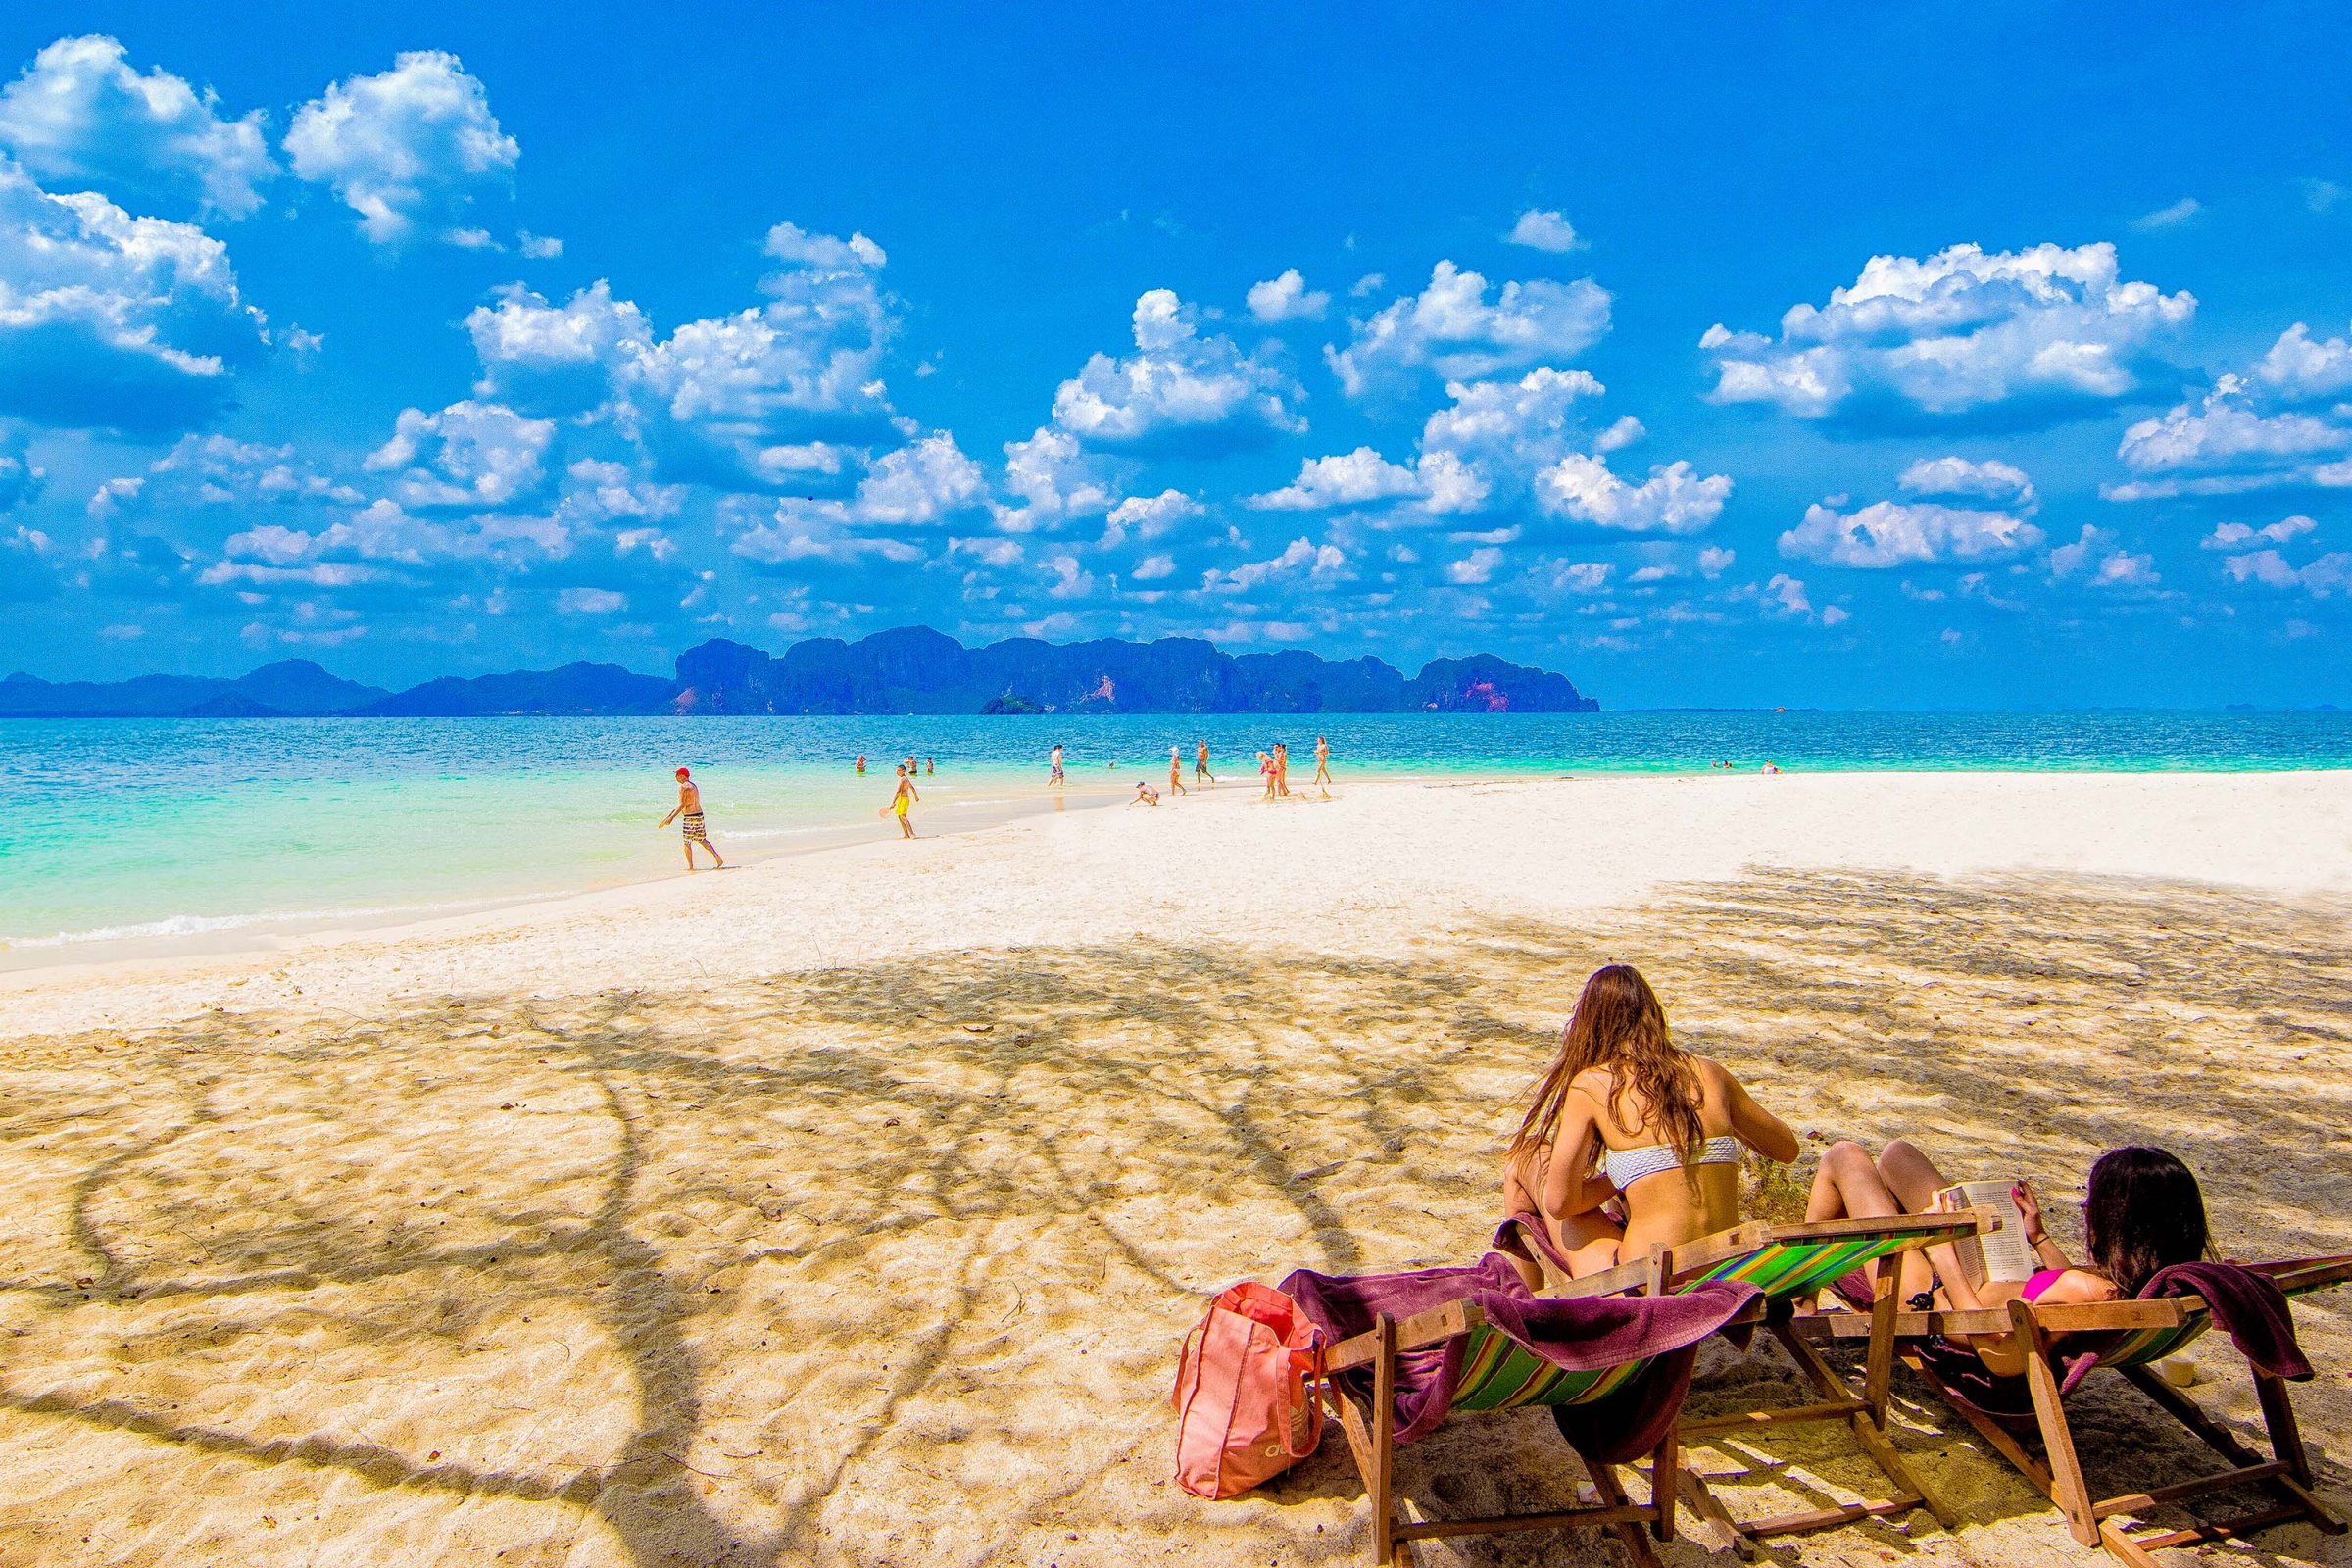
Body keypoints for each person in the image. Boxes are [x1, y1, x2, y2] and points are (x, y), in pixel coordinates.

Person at [1805, 1140, 2212, 1377]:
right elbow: (2067, 1294)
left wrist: (1942, 1254)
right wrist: (2038, 1237)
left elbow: (1997, 1352)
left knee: (1845, 1156)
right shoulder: (2132, 1289)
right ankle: (1809, 1292)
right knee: (1897, 1155)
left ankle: (1804, 1296)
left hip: (1931, 1298)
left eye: (2095, 1202)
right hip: (1984, 1280)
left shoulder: (2090, 1292)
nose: (2087, 1207)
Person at [1500, 964, 1797, 1281]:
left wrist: (1618, 1175)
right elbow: (1787, 1149)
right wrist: (1701, 1140)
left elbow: (1560, 1204)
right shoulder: (1710, 1075)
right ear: (1655, 1016)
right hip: (1726, 1271)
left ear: (1589, 1027)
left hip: (1645, 1282)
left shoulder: (1594, 1085)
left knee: (1525, 1156)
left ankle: (1528, 1306)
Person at [659, 767, 724, 871]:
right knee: (701, 840)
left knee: (687, 842)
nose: (675, 777)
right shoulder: (693, 786)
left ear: (683, 776)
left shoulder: (682, 787)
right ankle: (717, 857)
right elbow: (686, 803)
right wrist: (670, 814)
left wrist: (671, 818)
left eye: (677, 775)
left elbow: (682, 804)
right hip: (699, 815)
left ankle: (690, 867)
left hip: (690, 818)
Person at [883, 763, 920, 839]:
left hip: (903, 799)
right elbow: (912, 788)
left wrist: (893, 802)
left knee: (902, 817)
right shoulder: (906, 779)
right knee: (900, 817)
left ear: (903, 771)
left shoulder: (902, 779)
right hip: (905, 799)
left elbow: (898, 791)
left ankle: (912, 834)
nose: (897, 772)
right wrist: (916, 796)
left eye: (899, 770)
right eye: (897, 770)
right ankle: (906, 834)